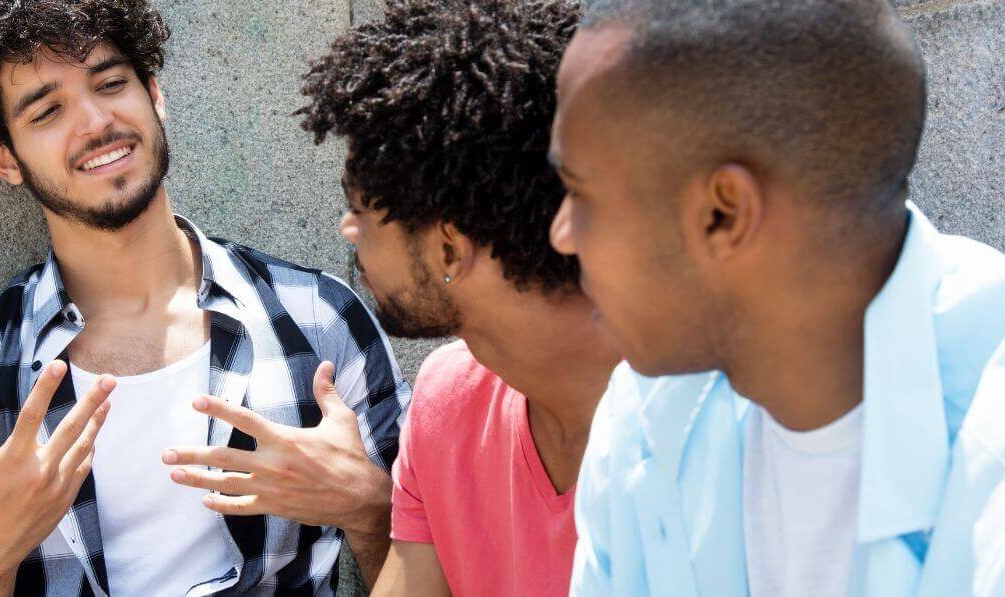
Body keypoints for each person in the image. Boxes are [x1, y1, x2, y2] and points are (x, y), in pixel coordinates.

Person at [0, 1, 410, 594]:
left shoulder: (319, 321)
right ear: (5, 158)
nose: (95, 120)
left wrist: (369, 508)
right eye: (48, 110)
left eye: (111, 84)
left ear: (154, 97)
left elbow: (449, 571)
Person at [547, 0, 1005, 595]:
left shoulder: (987, 452)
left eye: (580, 192)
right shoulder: (643, 416)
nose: (562, 233)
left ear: (724, 213)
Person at [296, 1, 620, 595]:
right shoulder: (445, 401)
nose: (348, 230)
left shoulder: (702, 419)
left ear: (449, 249)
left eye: (362, 210)